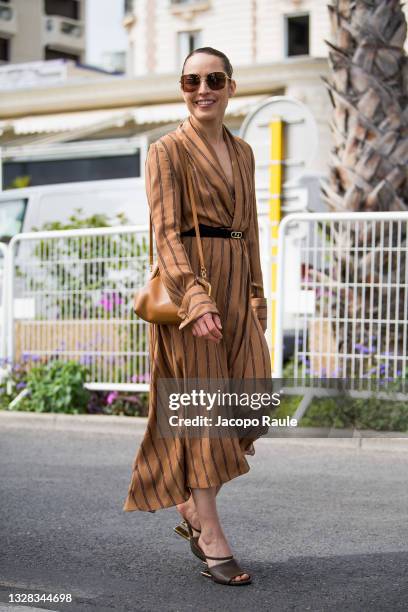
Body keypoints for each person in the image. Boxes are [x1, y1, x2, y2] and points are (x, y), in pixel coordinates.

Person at [123, 47, 272, 586]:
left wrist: (257, 297)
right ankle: (211, 537)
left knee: (252, 402)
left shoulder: (245, 152)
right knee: (205, 413)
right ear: (182, 87)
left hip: (237, 286)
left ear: (231, 86)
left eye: (213, 79)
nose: (201, 88)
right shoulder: (166, 151)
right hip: (196, 289)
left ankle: (189, 498)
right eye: (191, 80)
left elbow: (250, 228)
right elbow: (165, 233)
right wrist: (195, 298)